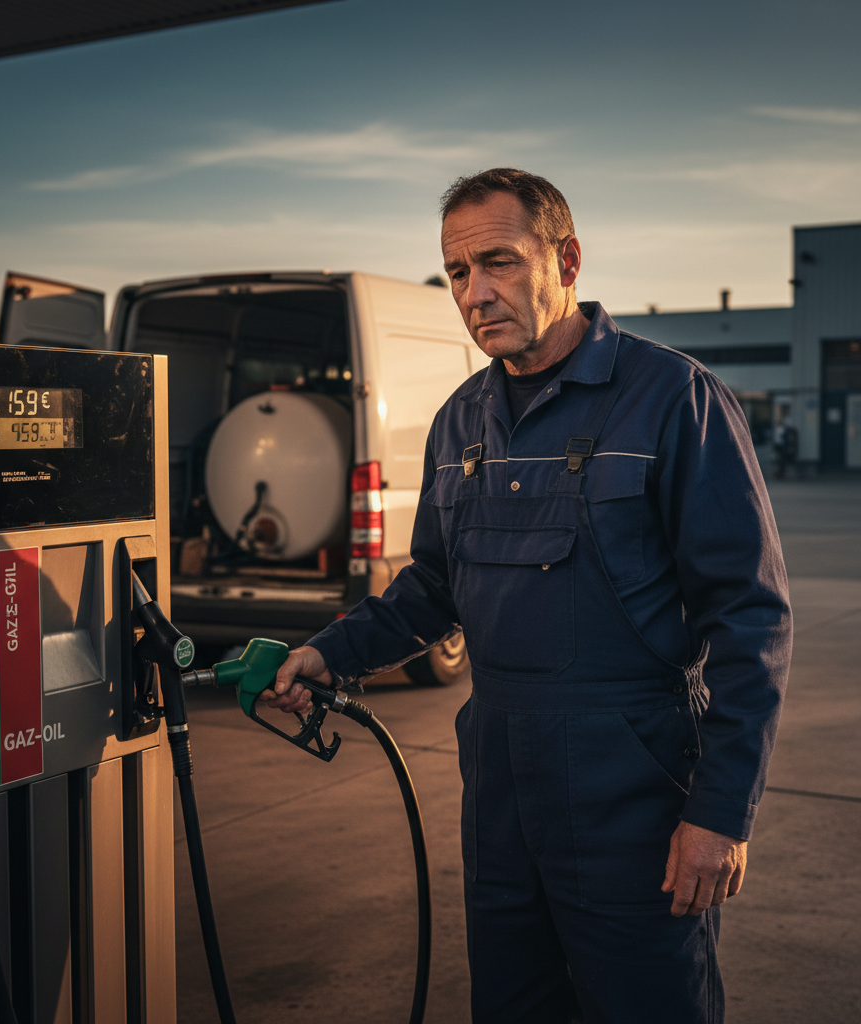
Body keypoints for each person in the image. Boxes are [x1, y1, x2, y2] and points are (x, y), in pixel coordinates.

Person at [263, 168, 791, 1023]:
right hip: (502, 789)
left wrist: (722, 813)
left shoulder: (672, 401)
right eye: (457, 274)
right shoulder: (460, 422)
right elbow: (433, 588)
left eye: (500, 262)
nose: (477, 294)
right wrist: (331, 653)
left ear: (568, 258)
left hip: (638, 789)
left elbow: (750, 617)